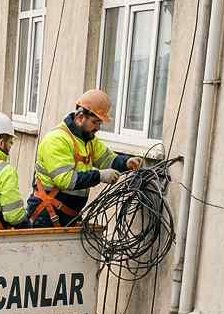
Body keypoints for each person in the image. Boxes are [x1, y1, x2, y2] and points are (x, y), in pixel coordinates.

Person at [26, 89, 144, 226]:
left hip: (67, 214)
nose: (98, 128)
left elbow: (107, 159)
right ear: (81, 117)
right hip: (46, 214)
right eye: (95, 122)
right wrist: (99, 176)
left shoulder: (88, 139)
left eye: (100, 123)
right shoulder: (57, 140)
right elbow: (65, 180)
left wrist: (127, 162)